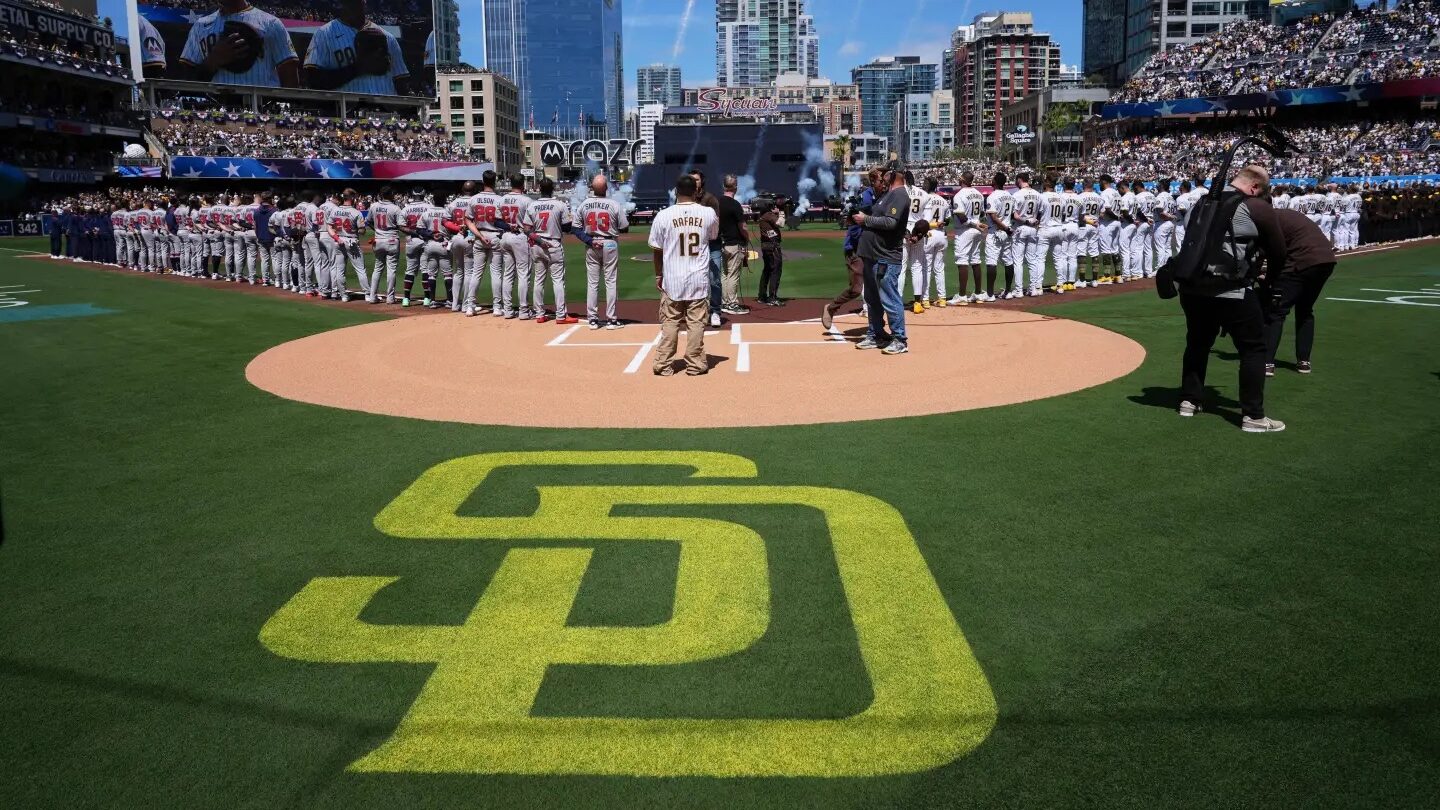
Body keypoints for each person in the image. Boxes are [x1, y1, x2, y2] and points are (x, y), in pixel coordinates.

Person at [1176, 165, 1288, 433]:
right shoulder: (1254, 206)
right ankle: (1253, 415)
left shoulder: (1200, 202)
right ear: (1254, 187)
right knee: (1253, 348)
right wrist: (1269, 282)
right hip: (1231, 288)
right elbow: (1278, 250)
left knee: (1198, 343)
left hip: (1192, 287)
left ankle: (1189, 401)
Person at [650, 174, 719, 377]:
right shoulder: (708, 213)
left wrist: (658, 275)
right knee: (696, 323)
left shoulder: (663, 215)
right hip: (697, 276)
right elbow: (713, 235)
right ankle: (695, 364)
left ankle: (663, 364)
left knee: (670, 322)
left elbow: (657, 249)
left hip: (673, 277)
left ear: (675, 191)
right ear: (697, 191)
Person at [1264, 205, 1336, 376]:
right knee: (1305, 310)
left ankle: (1267, 362)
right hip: (1326, 260)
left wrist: (1268, 277)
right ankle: (1304, 361)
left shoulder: (1270, 220)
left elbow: (1276, 252)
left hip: (1303, 261)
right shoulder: (1287, 215)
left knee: (1277, 311)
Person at [852, 166, 910, 355]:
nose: (882, 179)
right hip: (873, 255)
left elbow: (891, 222)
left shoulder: (900, 194)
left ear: (893, 175)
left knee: (889, 298)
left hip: (886, 256)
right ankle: (875, 333)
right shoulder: (887, 195)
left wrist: (866, 219)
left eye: (886, 175)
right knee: (872, 298)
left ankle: (899, 339)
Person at [176, 0, 300, 88]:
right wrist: (213, 61)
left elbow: (290, 77)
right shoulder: (200, 26)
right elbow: (188, 81)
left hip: (262, 108)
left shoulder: (271, 23)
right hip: (216, 109)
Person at [304, 0, 409, 95]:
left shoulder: (388, 38)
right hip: (345, 111)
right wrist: (358, 68)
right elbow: (313, 80)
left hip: (386, 111)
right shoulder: (324, 34)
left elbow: (401, 82)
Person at [823, 169, 880, 330]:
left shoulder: (882, 197)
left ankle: (877, 327)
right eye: (881, 180)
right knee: (856, 289)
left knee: (876, 287)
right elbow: (854, 225)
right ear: (875, 181)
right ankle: (831, 308)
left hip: (872, 248)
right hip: (856, 249)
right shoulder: (867, 198)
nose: (884, 184)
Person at [576, 173, 628, 330]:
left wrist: (590, 240)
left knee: (593, 283)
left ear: (592, 188)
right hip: (610, 243)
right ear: (606, 188)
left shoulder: (584, 204)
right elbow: (624, 227)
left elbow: (575, 228)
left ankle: (592, 319)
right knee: (610, 281)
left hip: (592, 243)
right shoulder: (614, 204)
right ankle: (611, 320)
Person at [523, 178, 578, 324]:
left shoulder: (532, 205)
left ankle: (539, 314)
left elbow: (527, 230)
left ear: (539, 189)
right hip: (553, 244)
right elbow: (567, 228)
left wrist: (539, 240)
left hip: (537, 244)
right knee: (558, 281)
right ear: (552, 188)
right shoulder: (560, 204)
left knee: (538, 280)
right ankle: (561, 315)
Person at [688, 170, 725, 327]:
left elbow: (715, 225)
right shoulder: (684, 199)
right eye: (691, 180)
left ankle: (715, 311)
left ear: (702, 181)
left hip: (711, 244)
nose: (694, 182)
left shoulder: (710, 199)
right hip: (692, 244)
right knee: (691, 279)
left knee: (714, 279)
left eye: (696, 180)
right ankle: (696, 311)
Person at [499, 175, 536, 318]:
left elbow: (496, 221)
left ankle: (507, 310)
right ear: (523, 184)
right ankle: (524, 311)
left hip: (505, 236)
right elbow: (532, 224)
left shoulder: (501, 199)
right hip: (520, 237)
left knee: (508, 274)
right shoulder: (527, 200)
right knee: (523, 274)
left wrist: (508, 225)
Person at [949, 171, 987, 304]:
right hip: (977, 229)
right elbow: (982, 213)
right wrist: (976, 223)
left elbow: (961, 216)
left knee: (962, 261)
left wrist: (973, 223)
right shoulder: (978, 193)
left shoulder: (959, 195)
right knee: (976, 260)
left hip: (965, 230)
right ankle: (977, 293)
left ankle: (962, 295)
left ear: (962, 180)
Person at [716, 175, 750, 316]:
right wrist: (746, 239)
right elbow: (743, 227)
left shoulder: (716, 202)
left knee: (724, 274)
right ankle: (732, 303)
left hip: (721, 243)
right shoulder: (735, 204)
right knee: (733, 275)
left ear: (723, 186)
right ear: (735, 187)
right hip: (734, 243)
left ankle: (724, 302)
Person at [1011, 172, 1043, 297]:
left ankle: (1019, 290)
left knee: (1018, 261)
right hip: (1033, 228)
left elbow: (1015, 215)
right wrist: (1034, 220)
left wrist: (1025, 220)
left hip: (1021, 227)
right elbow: (1040, 213)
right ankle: (1033, 288)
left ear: (1020, 180)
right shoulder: (1037, 194)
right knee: (1032, 259)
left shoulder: (1017, 194)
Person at [369, 187, 403, 304]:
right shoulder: (396, 208)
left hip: (378, 240)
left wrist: (377, 230)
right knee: (391, 269)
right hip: (392, 240)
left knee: (377, 268)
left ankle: (372, 296)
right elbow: (400, 225)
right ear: (391, 194)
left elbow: (368, 221)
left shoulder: (373, 206)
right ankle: (390, 297)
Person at [756, 199, 783, 306]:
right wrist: (781, 212)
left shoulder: (763, 215)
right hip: (773, 246)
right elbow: (780, 223)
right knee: (776, 270)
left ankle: (762, 296)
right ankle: (772, 297)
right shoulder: (768, 215)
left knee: (767, 270)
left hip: (766, 245)